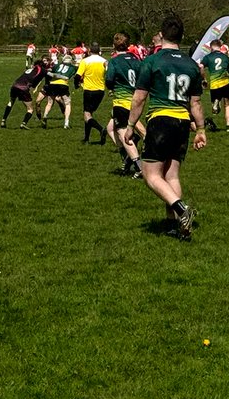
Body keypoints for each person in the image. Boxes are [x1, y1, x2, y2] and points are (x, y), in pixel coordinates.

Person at [123, 15, 206, 240]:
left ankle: (181, 210)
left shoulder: (153, 60)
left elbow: (139, 98)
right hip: (182, 123)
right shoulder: (191, 64)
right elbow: (196, 103)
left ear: (161, 34)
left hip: (160, 120)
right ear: (181, 35)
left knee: (151, 176)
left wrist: (130, 125)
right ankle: (175, 225)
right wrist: (200, 130)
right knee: (172, 175)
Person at [104, 33, 144, 176]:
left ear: (114, 45)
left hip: (121, 102)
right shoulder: (136, 59)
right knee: (110, 128)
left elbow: (109, 80)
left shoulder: (114, 61)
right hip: (134, 101)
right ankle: (126, 157)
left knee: (123, 134)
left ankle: (139, 167)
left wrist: (111, 84)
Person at [76, 42, 108, 144]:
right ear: (99, 51)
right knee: (89, 114)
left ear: (89, 51)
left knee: (87, 114)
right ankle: (86, 138)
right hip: (100, 91)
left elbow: (77, 76)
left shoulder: (85, 61)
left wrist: (76, 84)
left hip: (89, 90)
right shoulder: (104, 61)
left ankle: (101, 129)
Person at [1, 59, 48, 128]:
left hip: (15, 85)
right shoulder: (42, 70)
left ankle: (3, 120)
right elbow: (35, 84)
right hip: (23, 88)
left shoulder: (31, 69)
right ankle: (23, 124)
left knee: (11, 102)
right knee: (30, 109)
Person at [199, 39, 229, 132]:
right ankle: (228, 127)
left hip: (215, 84)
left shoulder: (208, 57)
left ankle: (216, 101)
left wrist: (204, 79)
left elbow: (201, 66)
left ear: (211, 47)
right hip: (227, 82)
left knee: (215, 111)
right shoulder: (226, 57)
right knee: (228, 105)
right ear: (220, 47)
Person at [40, 54, 77, 128]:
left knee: (50, 103)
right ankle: (66, 123)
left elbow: (50, 71)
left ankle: (45, 116)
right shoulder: (73, 67)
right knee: (67, 103)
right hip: (63, 84)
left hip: (52, 83)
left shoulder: (57, 65)